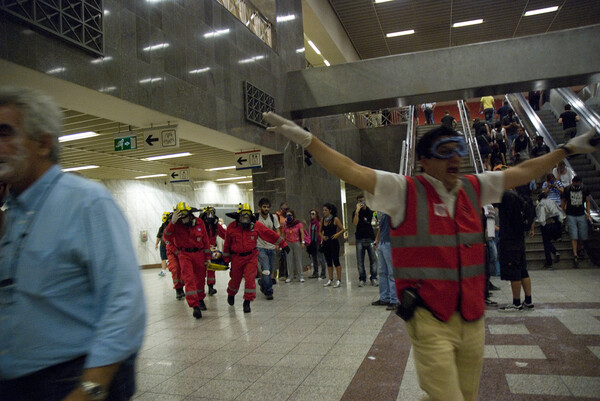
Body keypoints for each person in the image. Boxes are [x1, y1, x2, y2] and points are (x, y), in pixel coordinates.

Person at [263, 110, 597, 401]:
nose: (455, 158)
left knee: (464, 397)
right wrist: (307, 140)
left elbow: (521, 173)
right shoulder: (403, 190)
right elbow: (351, 169)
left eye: (459, 150)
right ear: (424, 160)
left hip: (472, 317)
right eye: (444, 151)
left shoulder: (473, 187)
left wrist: (565, 150)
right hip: (428, 318)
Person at [0, 87, 146, 401]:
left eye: (5, 133)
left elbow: (124, 302)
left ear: (42, 142)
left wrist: (90, 389)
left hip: (69, 382)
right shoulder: (11, 212)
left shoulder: (86, 202)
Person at [223, 203, 289, 313]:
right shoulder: (231, 227)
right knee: (235, 281)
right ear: (239, 217)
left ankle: (247, 302)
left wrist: (283, 244)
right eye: (243, 217)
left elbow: (269, 234)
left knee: (250, 280)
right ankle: (231, 293)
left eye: (247, 217)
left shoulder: (256, 225)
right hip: (236, 258)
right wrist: (226, 260)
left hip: (251, 257)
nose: (245, 219)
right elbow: (226, 245)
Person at [163, 202, 212, 318]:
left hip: (198, 254)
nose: (184, 220)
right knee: (189, 279)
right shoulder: (176, 224)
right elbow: (167, 237)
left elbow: (205, 241)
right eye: (181, 217)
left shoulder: (199, 223)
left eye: (185, 216)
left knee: (200, 278)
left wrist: (208, 258)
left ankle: (200, 299)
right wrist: (172, 223)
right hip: (184, 255)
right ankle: (194, 305)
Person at [497, 188, 536, 312]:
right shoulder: (520, 196)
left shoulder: (506, 196)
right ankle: (528, 301)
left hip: (509, 239)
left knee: (514, 270)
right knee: (523, 270)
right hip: (519, 238)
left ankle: (516, 303)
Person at [562, 176, 592, 268]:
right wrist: (563, 211)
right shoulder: (567, 189)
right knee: (574, 235)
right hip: (571, 214)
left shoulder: (584, 189)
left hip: (581, 214)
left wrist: (588, 212)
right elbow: (563, 200)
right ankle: (575, 254)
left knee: (582, 235)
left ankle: (579, 249)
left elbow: (587, 200)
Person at [371, 212, 398, 310]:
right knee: (382, 272)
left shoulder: (392, 209)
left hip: (390, 242)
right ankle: (384, 297)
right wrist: (376, 240)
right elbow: (380, 228)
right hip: (382, 242)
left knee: (391, 272)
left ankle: (394, 299)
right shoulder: (381, 212)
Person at [255, 197, 281, 300]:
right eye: (264, 207)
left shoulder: (273, 217)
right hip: (260, 247)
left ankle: (262, 283)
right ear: (260, 208)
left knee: (271, 270)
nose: (266, 209)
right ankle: (269, 292)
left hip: (271, 247)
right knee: (266, 270)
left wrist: (277, 243)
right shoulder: (256, 217)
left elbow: (278, 230)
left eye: (267, 207)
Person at [200, 206, 227, 296]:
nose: (210, 216)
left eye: (212, 214)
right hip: (201, 250)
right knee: (201, 270)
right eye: (208, 214)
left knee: (211, 268)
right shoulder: (199, 224)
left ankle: (211, 287)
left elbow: (225, 234)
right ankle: (200, 289)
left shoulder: (215, 225)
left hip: (211, 250)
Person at [353, 195, 378, 286]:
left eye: (363, 201)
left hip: (370, 238)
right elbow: (355, 223)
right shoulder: (356, 212)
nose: (362, 203)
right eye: (360, 201)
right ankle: (362, 278)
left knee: (373, 260)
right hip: (360, 239)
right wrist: (357, 211)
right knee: (360, 261)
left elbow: (376, 221)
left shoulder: (371, 211)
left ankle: (374, 277)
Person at [535, 192, 565, 269]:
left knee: (546, 243)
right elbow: (560, 212)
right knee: (549, 241)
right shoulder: (552, 201)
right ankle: (555, 252)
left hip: (547, 223)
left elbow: (541, 217)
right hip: (556, 222)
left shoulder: (541, 204)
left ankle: (549, 261)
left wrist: (543, 224)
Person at [320, 203, 346, 288]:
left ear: (330, 211)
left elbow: (343, 229)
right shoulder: (322, 220)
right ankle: (330, 279)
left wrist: (337, 234)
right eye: (323, 210)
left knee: (336, 260)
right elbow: (319, 231)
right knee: (328, 261)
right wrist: (323, 237)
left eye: (325, 210)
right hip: (326, 243)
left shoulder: (335, 219)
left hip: (334, 243)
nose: (324, 212)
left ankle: (339, 280)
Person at [282, 209, 306, 283]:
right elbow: (283, 234)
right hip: (288, 243)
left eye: (290, 215)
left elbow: (302, 233)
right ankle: (290, 276)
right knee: (289, 260)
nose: (288, 217)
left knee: (298, 259)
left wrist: (302, 242)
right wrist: (282, 243)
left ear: (293, 216)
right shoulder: (285, 224)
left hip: (297, 242)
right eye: (287, 215)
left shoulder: (298, 223)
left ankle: (300, 276)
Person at [307, 208, 327, 279]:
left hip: (318, 242)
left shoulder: (318, 223)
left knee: (321, 258)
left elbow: (321, 232)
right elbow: (310, 232)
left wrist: (321, 241)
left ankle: (323, 273)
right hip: (312, 243)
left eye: (313, 214)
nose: (311, 215)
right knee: (314, 258)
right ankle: (315, 272)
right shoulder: (311, 223)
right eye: (311, 214)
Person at [275, 202, 289, 281]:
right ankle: (281, 274)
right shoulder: (276, 216)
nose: (286, 211)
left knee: (287, 257)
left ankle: (287, 273)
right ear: (281, 209)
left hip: (287, 239)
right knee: (281, 257)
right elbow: (276, 226)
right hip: (280, 239)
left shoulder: (287, 216)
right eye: (285, 209)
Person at [155, 211, 170, 277]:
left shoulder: (169, 226)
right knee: (164, 259)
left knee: (164, 259)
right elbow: (158, 236)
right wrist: (156, 244)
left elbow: (158, 236)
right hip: (164, 245)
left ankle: (164, 271)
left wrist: (156, 244)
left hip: (167, 245)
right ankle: (163, 271)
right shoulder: (163, 227)